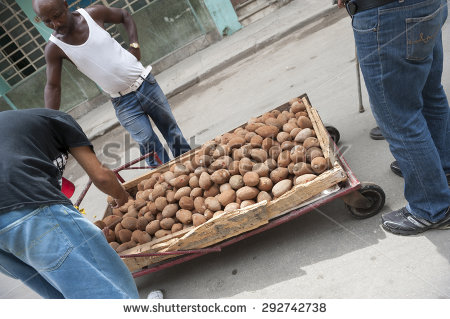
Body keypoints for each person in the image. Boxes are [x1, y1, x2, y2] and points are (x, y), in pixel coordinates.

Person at [0, 108, 142, 298]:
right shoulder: (61, 120)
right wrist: (122, 198)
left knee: (62, 295)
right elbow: (102, 177)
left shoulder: (20, 129)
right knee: (106, 292)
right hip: (24, 206)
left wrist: (76, 227)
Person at [32, 0, 191, 167]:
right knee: (147, 141)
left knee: (171, 129)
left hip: (146, 84)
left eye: (57, 16)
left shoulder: (93, 14)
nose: (55, 24)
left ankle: (189, 167)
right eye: (47, 21)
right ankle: (164, 177)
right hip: (123, 102)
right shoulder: (54, 48)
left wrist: (134, 45)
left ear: (65, 5)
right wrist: (49, 122)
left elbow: (124, 15)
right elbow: (53, 86)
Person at [338, 0, 450, 235]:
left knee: (398, 117)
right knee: (430, 93)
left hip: (387, 13)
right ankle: (440, 169)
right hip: (426, 5)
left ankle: (433, 208)